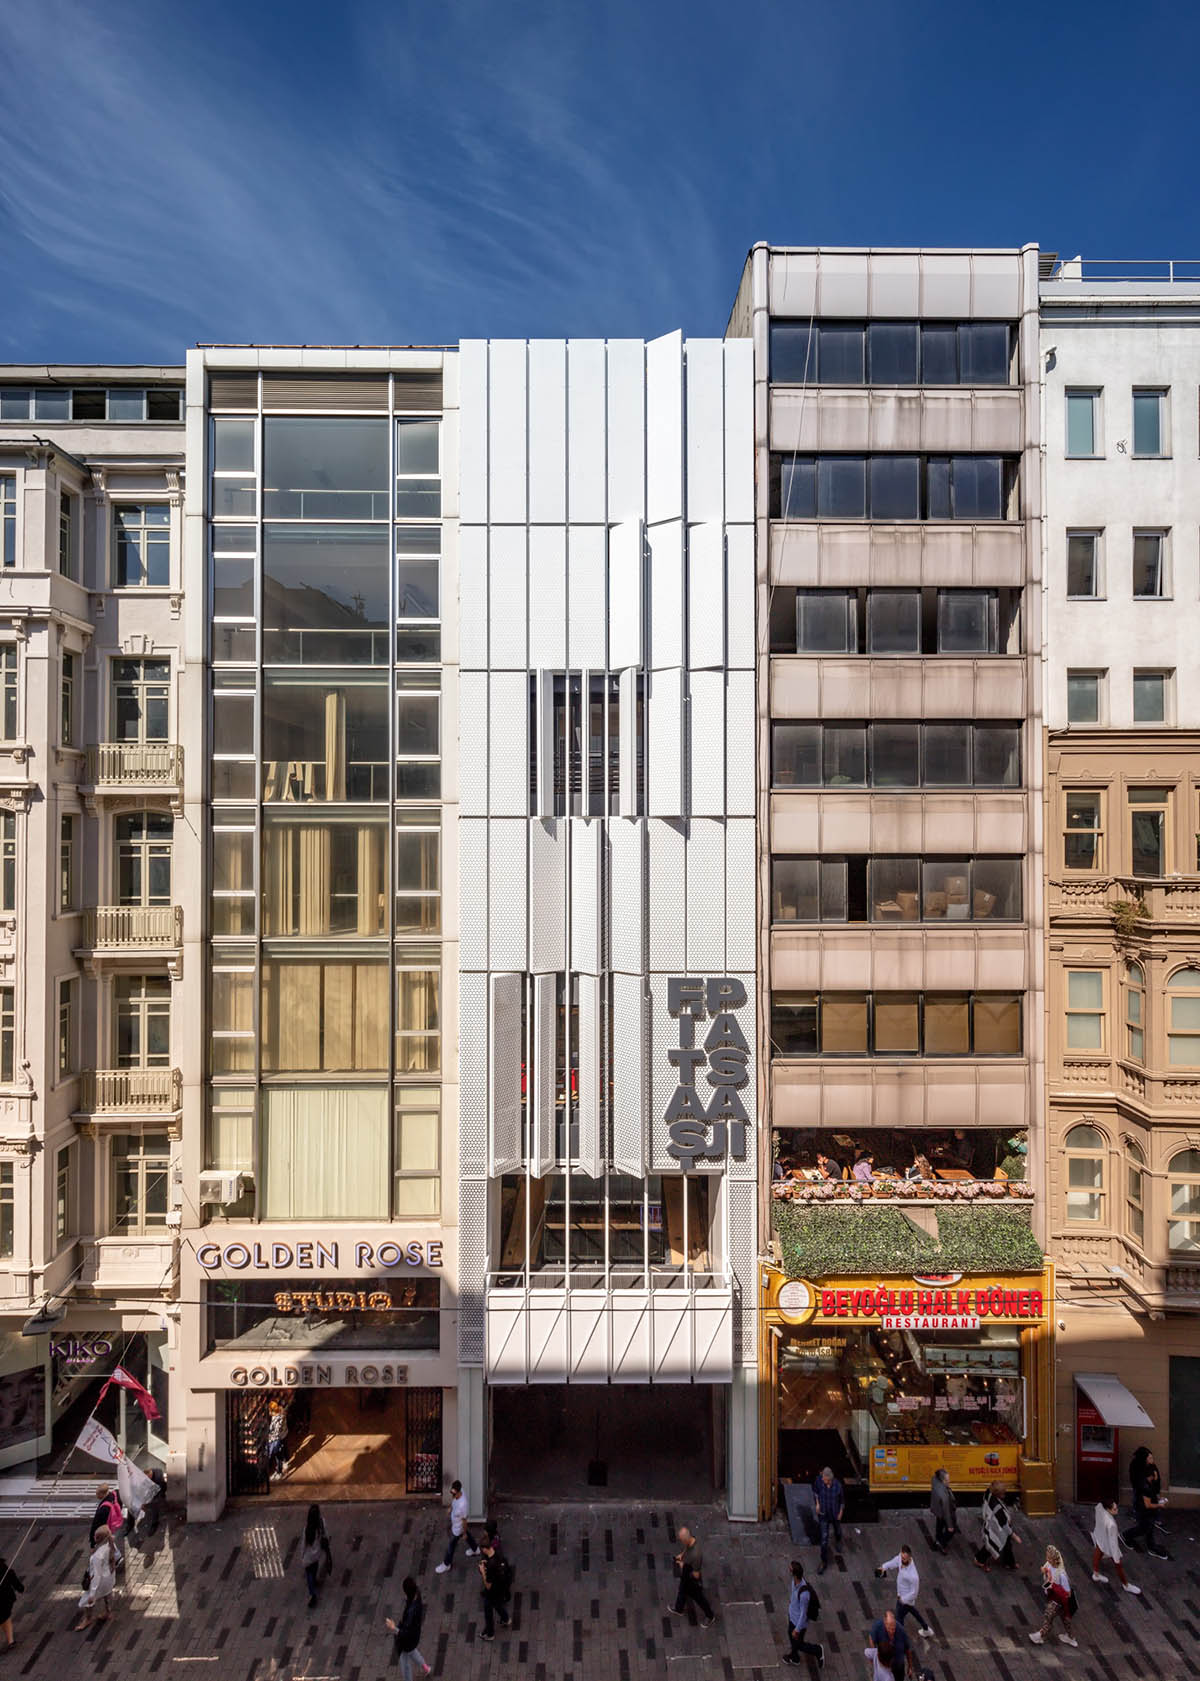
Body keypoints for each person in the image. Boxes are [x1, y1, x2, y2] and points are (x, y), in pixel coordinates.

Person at [876, 1545, 932, 1640]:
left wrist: (903, 1600)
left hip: (905, 1599)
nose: (902, 1560)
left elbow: (914, 1593)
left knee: (899, 1618)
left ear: (910, 1557)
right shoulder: (900, 1558)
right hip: (902, 1595)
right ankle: (926, 1629)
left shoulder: (913, 1576)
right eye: (902, 1557)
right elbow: (894, 1562)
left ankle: (899, 1638)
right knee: (913, 1611)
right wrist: (883, 1567)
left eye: (905, 1558)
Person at [1123, 1446, 1169, 1558]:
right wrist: (1159, 1504)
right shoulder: (1142, 1483)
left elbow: (1156, 1483)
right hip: (1143, 1500)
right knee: (1145, 1525)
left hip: (1147, 1497)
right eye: (1150, 1458)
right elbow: (1147, 1504)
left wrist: (1156, 1492)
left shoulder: (1150, 1469)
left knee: (1149, 1523)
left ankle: (1151, 1545)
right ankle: (1127, 1535)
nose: (1152, 1460)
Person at [1029, 1544, 1077, 1648]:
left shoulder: (1062, 1575)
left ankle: (1040, 1635)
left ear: (1054, 1559)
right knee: (1065, 1619)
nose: (1047, 1559)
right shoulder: (1049, 1564)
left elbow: (1067, 1593)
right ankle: (1070, 1637)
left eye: (1049, 1558)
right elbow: (1046, 1572)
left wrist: (1054, 1587)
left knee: (1048, 1615)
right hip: (1053, 1595)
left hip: (1059, 1600)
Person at [385, 1576, 431, 1679]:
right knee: (413, 1652)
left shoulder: (411, 1612)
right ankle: (425, 1668)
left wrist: (393, 1627)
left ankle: (424, 1669)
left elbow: (405, 1633)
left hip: (406, 1641)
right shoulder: (417, 1595)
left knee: (405, 1665)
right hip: (414, 1638)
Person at [74, 1523, 118, 1630]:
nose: (93, 1537)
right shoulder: (111, 1544)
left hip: (101, 1580)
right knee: (107, 1594)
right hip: (109, 1577)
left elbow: (96, 1575)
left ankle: (88, 1619)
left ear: (99, 1538)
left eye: (96, 1536)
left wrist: (92, 1594)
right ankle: (108, 1612)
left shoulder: (97, 1556)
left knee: (86, 1602)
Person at [1091, 1498, 1140, 1594]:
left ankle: (1096, 1574)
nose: (1117, 1510)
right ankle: (1126, 1585)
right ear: (1108, 1509)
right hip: (1107, 1542)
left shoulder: (1099, 1507)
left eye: (1116, 1507)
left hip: (1099, 1535)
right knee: (1118, 1565)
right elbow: (1113, 1542)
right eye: (1114, 1509)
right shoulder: (1112, 1524)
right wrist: (1116, 1556)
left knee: (1098, 1552)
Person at [781, 1558, 824, 1668]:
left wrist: (797, 1629)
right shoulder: (794, 1582)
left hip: (798, 1623)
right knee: (792, 1639)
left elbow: (803, 1614)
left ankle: (817, 1650)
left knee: (799, 1644)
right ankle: (794, 1658)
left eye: (790, 1569)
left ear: (794, 1574)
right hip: (792, 1617)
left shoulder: (804, 1594)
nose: (789, 1570)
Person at [671, 1525, 715, 1624]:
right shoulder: (691, 1540)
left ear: (685, 1540)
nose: (681, 1541)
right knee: (682, 1590)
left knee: (698, 1597)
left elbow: (696, 1575)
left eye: (681, 1540)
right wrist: (682, 1555)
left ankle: (710, 1616)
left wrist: (682, 1565)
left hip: (691, 1577)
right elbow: (687, 1548)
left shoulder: (696, 1555)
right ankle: (678, 1609)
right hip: (686, 1573)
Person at [435, 1478, 479, 1573]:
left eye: (454, 1494)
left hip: (458, 1528)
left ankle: (446, 1564)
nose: (453, 1495)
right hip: (456, 1524)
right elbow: (454, 1500)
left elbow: (464, 1521)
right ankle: (475, 1549)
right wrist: (451, 1508)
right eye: (452, 1492)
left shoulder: (463, 1505)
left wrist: (464, 1533)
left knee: (451, 1546)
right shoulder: (459, 1491)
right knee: (467, 1537)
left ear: (458, 1492)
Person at [974, 1482, 1020, 1570]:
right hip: (996, 1527)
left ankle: (1009, 1562)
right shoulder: (997, 1508)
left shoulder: (989, 1493)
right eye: (1003, 1493)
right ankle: (979, 1560)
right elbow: (1004, 1524)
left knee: (1005, 1544)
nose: (1004, 1495)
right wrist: (1014, 1536)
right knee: (992, 1543)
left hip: (992, 1523)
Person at [478, 1535, 513, 1641]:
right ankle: (505, 1619)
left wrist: (483, 1572)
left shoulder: (490, 1566)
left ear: (484, 1549)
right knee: (497, 1604)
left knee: (488, 1611)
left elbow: (488, 1585)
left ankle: (490, 1634)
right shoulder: (498, 1553)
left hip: (493, 1591)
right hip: (502, 1587)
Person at [813, 1467, 844, 1574]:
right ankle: (824, 1562)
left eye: (824, 1478)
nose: (822, 1479)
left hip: (835, 1514)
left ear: (829, 1479)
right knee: (824, 1539)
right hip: (823, 1514)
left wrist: (840, 1512)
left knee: (838, 1530)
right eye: (822, 1477)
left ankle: (838, 1540)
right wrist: (817, 1503)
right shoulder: (819, 1482)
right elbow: (815, 1492)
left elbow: (842, 1501)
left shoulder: (838, 1486)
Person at [300, 1503, 330, 1609]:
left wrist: (302, 1556)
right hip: (317, 1553)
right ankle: (315, 1580)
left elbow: (303, 1545)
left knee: (309, 1574)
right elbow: (326, 1534)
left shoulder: (307, 1529)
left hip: (309, 1556)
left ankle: (312, 1594)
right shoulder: (321, 1523)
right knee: (315, 1566)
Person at [868, 1608, 909, 1681]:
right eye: (889, 1628)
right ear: (885, 1622)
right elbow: (871, 1637)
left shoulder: (901, 1631)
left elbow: (907, 1649)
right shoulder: (877, 1627)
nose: (892, 1631)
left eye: (893, 1628)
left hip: (898, 1667)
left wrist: (910, 1666)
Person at [89, 1484, 125, 1564]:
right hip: (114, 1523)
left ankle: (117, 1557)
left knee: (107, 1542)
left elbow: (95, 1525)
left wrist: (92, 1543)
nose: (96, 1496)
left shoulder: (103, 1509)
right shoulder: (115, 1494)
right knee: (110, 1541)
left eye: (98, 1494)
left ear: (102, 1494)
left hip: (106, 1528)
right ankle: (117, 1557)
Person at [929, 1469, 956, 1553]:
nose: (949, 1481)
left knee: (939, 1526)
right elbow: (947, 1512)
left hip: (937, 1510)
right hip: (944, 1511)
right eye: (947, 1480)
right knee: (951, 1531)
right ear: (942, 1480)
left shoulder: (934, 1480)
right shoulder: (944, 1495)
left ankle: (937, 1540)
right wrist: (950, 1526)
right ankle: (942, 1543)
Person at [0, 1556, 22, 1650]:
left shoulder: (2, 1567)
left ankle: (10, 1641)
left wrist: (19, 1587)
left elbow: (10, 1575)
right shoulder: (2, 1566)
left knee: (4, 1618)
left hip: (4, 1599)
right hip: (6, 1599)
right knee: (5, 1618)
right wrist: (20, 1588)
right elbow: (11, 1576)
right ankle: (11, 1641)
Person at [267, 1399, 289, 1478]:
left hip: (278, 1439)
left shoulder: (278, 1419)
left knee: (278, 1455)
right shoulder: (280, 1412)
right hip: (283, 1434)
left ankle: (279, 1472)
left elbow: (276, 1432)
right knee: (283, 1449)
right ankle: (285, 1463)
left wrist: (269, 1437)